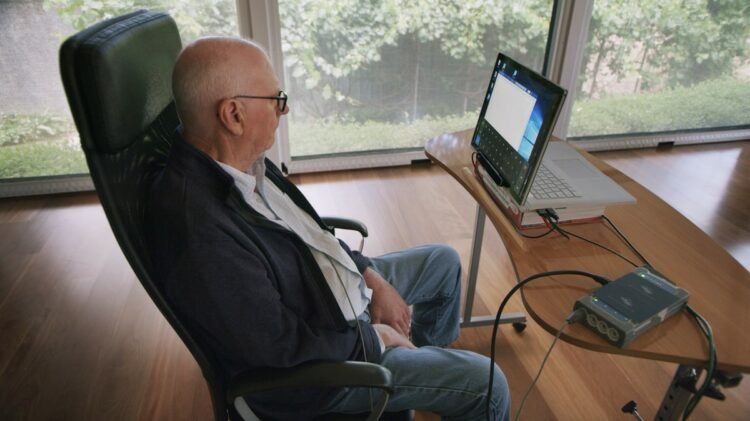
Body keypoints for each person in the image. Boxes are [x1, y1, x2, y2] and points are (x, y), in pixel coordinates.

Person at [146, 36, 510, 420]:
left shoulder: (239, 160)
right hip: (321, 373)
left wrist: (370, 275)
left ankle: (418, 373)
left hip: (327, 294)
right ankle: (411, 377)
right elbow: (280, 347)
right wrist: (374, 339)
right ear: (233, 115)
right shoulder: (202, 235)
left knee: (443, 263)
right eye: (275, 99)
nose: (284, 109)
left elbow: (311, 234)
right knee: (489, 386)